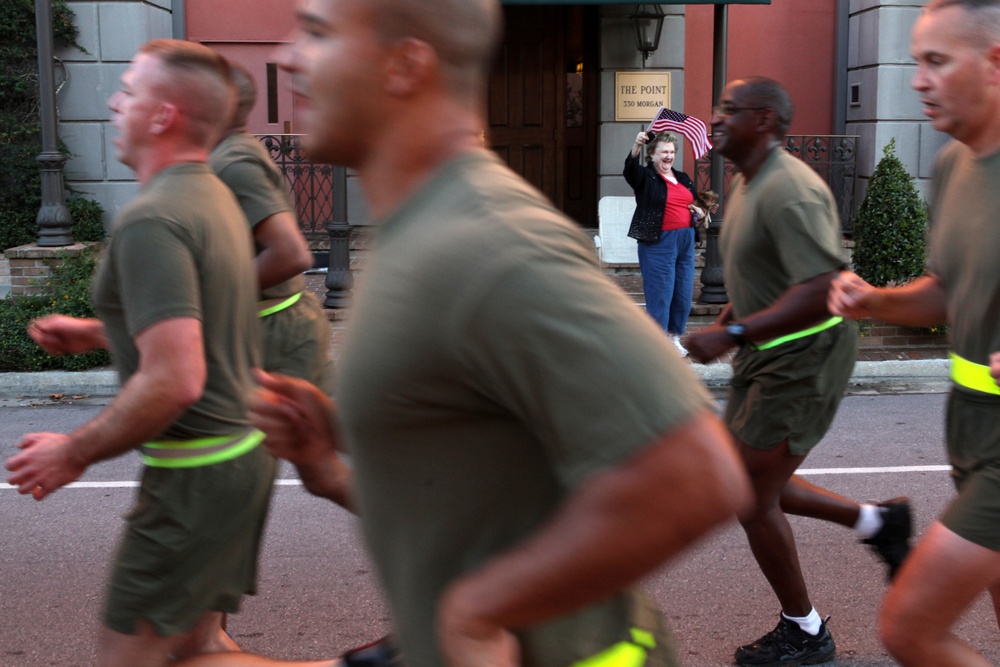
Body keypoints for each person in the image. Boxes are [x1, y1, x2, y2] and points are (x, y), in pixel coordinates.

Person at [180, 0, 752, 665]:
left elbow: (697, 473)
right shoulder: (417, 233)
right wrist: (331, 468)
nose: (285, 57)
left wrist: (479, 608)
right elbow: (473, 505)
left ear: (404, 65)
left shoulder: (487, 240)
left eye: (317, 32)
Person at [4, 39, 275, 667]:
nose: (112, 102)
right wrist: (102, 330)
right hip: (238, 462)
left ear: (163, 116)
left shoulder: (153, 219)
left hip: (195, 477)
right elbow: (197, 324)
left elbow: (176, 377)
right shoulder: (209, 199)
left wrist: (72, 452)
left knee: (131, 656)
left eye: (128, 91)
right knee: (196, 648)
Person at [684, 76, 912, 667]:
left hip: (804, 357)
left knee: (751, 498)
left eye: (727, 111)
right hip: (769, 355)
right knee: (746, 479)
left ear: (763, 120)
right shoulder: (748, 184)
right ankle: (877, 520)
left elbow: (820, 289)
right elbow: (764, 278)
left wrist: (731, 334)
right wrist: (726, 328)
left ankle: (806, 633)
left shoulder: (791, 189)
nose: (714, 120)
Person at [829, 1, 1000, 664]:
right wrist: (873, 299)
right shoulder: (954, 166)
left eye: (936, 61)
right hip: (967, 424)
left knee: (908, 626)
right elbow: (951, 289)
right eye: (915, 63)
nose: (918, 81)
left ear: (992, 63)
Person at [209, 61, 333, 391]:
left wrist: (208, 297)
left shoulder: (233, 163)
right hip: (264, 330)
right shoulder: (221, 156)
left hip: (274, 334)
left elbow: (291, 254)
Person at [624, 131, 701, 356]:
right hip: (659, 241)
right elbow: (629, 171)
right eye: (664, 152)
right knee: (661, 291)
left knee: (683, 291)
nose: (669, 156)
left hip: (685, 240)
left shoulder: (683, 177)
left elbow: (696, 201)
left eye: (671, 152)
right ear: (652, 156)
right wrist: (636, 145)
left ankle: (674, 336)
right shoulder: (646, 177)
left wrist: (700, 209)